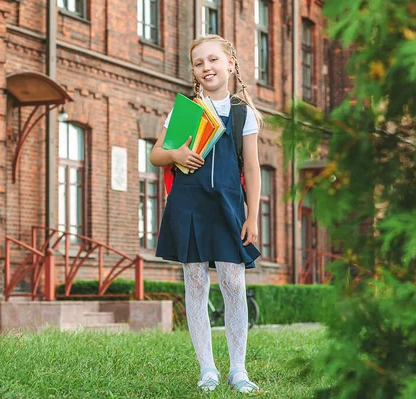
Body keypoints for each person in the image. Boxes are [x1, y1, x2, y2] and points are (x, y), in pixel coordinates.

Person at [150, 35, 262, 393]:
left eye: (213, 60)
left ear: (230, 63)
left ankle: (238, 369)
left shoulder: (244, 113)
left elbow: (255, 169)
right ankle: (208, 369)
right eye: (199, 63)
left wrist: (253, 216)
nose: (206, 67)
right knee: (195, 283)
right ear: (195, 73)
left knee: (233, 283)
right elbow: (156, 154)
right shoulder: (187, 110)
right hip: (188, 205)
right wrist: (176, 155)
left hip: (229, 207)